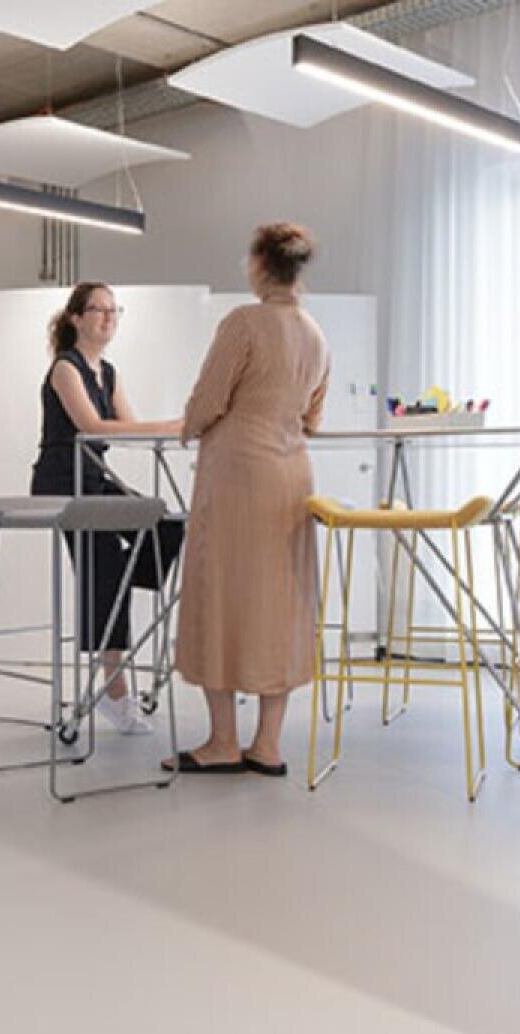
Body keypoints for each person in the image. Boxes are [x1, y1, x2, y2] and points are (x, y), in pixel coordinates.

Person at [168, 224, 330, 775]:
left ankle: (221, 742)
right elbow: (312, 416)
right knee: (280, 605)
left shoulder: (243, 323)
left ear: (260, 265)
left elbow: (211, 397)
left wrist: (190, 425)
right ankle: (267, 744)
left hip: (237, 473)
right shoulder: (314, 333)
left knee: (221, 597)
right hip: (290, 479)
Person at [29, 282, 184, 735]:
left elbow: (129, 429)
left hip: (96, 478)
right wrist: (175, 424)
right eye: (99, 310)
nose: (109, 318)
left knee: (167, 526)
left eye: (115, 311)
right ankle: (114, 695)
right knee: (105, 566)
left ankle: (115, 583)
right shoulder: (65, 368)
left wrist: (180, 426)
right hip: (63, 483)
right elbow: (93, 426)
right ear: (76, 318)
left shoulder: (108, 372)